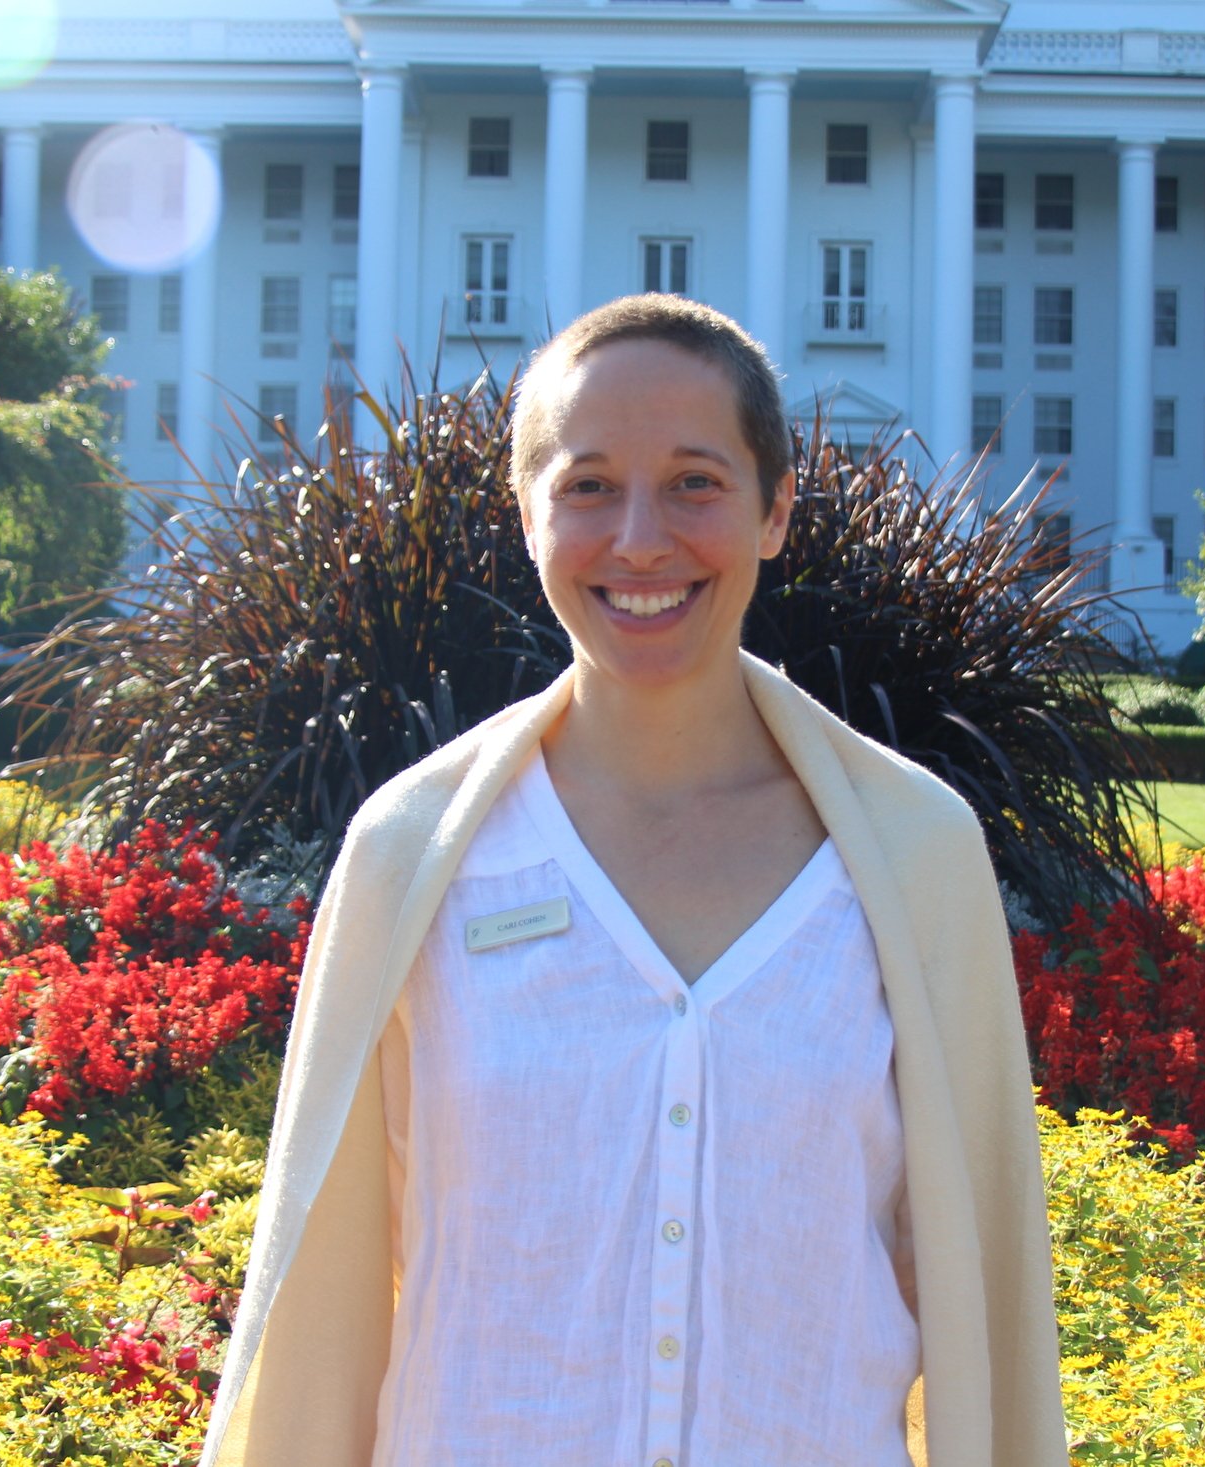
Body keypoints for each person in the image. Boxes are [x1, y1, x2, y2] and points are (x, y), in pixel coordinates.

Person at [199, 295, 1067, 1467]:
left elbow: (982, 1283)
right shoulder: (414, 852)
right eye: (589, 485)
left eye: (696, 482)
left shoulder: (914, 856)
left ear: (775, 510)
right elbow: (328, 1290)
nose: (641, 540)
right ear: (527, 513)